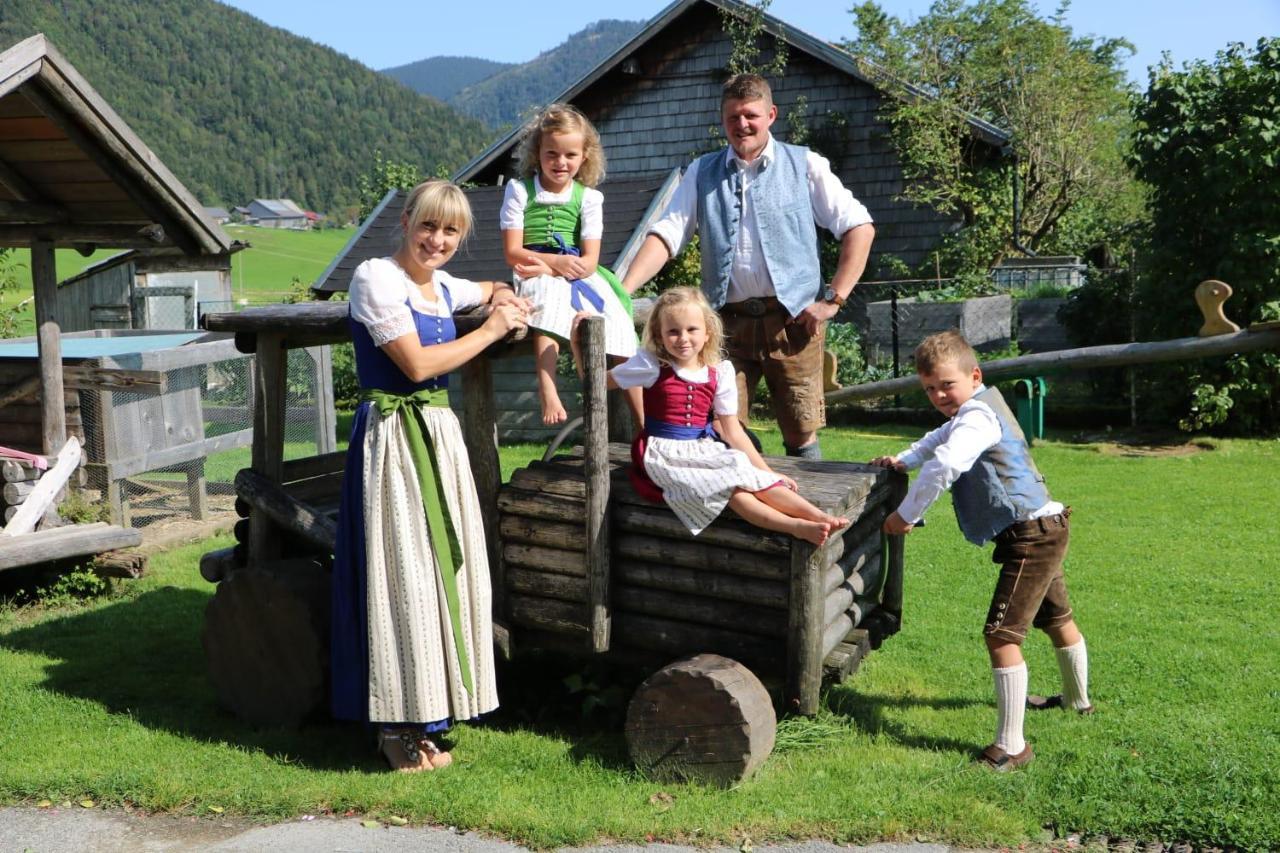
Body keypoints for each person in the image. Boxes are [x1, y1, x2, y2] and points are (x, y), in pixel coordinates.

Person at [331, 179, 530, 772]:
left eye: (450, 231)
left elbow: (495, 284)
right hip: (394, 437)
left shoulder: (441, 284)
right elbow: (416, 363)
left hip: (438, 435)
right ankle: (394, 726)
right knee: (401, 575)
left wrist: (498, 299)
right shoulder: (375, 278)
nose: (437, 240)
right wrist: (493, 329)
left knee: (446, 572)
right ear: (406, 223)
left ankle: (432, 715)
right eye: (428, 226)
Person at [869, 330, 1094, 772]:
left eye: (946, 385)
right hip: (1044, 526)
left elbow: (948, 463)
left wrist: (907, 514)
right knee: (1057, 618)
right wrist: (903, 460)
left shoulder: (976, 419)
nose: (938, 395)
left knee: (1001, 635)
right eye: (930, 388)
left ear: (975, 375)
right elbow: (936, 439)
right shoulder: (975, 408)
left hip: (1032, 535)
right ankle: (1078, 702)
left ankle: (1013, 746)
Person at [620, 73, 875, 459]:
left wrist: (833, 299)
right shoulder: (701, 172)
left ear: (771, 114)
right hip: (724, 326)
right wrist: (622, 290)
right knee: (719, 425)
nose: (742, 125)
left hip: (793, 323)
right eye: (733, 117)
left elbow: (859, 227)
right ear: (723, 121)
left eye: (751, 115)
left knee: (800, 434)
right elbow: (667, 235)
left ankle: (807, 512)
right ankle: (748, 503)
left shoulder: (805, 164)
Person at [573, 287, 849, 546]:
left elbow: (732, 432)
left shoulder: (718, 372)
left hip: (704, 448)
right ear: (658, 336)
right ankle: (796, 527)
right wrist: (577, 343)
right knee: (735, 491)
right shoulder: (652, 365)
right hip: (663, 453)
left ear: (707, 332)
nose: (683, 338)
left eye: (692, 329)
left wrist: (767, 472)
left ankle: (818, 516)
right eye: (673, 332)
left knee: (752, 476)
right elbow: (594, 381)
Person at [501, 103, 638, 425]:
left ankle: (643, 419)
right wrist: (551, 265)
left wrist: (556, 267)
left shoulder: (588, 198)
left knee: (617, 315)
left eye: (570, 155)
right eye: (552, 154)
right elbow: (513, 251)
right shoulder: (520, 192)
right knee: (547, 300)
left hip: (574, 271)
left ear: (584, 156)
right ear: (538, 153)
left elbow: (589, 261)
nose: (560, 163)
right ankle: (548, 388)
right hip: (531, 266)